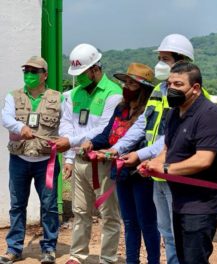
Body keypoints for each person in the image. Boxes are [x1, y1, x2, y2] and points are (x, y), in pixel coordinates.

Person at [107, 33, 208, 264]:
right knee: (166, 231)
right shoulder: (158, 91)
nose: (160, 64)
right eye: (160, 58)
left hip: (177, 173)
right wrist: (118, 147)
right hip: (157, 173)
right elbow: (143, 124)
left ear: (182, 61)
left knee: (180, 231)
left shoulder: (196, 98)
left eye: (165, 58)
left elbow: (170, 138)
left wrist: (140, 155)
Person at [140, 61, 217, 264]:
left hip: (201, 204)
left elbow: (203, 160)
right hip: (179, 200)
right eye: (169, 84)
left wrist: (166, 168)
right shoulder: (173, 114)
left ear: (195, 88)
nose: (171, 89)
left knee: (194, 258)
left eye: (178, 85)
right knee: (182, 256)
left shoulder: (209, 114)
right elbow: (167, 149)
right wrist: (152, 164)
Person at [80, 63, 160, 264]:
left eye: (132, 84)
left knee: (147, 222)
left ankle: (153, 261)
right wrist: (93, 143)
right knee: (130, 221)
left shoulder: (148, 112)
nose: (126, 87)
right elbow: (107, 135)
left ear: (143, 89)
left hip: (141, 173)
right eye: (125, 82)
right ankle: (132, 261)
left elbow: (144, 140)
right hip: (120, 172)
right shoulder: (121, 109)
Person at [53, 43, 123, 264]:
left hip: (103, 161)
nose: (80, 78)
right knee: (80, 211)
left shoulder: (114, 94)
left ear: (95, 68)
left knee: (109, 214)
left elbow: (103, 129)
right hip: (81, 162)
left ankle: (108, 259)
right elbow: (67, 124)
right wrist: (70, 158)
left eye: (83, 73)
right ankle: (77, 255)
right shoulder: (73, 94)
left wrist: (70, 142)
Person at [0, 56, 61, 264]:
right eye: (26, 71)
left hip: (46, 162)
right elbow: (6, 118)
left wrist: (68, 156)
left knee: (49, 206)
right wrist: (19, 127)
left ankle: (49, 248)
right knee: (17, 205)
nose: (29, 75)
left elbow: (67, 127)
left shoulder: (58, 98)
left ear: (44, 75)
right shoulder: (13, 96)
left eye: (34, 72)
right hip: (19, 159)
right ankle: (14, 248)